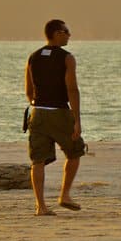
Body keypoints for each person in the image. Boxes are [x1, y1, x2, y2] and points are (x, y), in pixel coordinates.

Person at [24, 19, 86, 216]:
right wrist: (76, 119)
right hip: (59, 112)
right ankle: (64, 194)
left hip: (38, 113)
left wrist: (38, 106)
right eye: (67, 31)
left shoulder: (33, 57)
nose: (69, 35)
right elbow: (72, 90)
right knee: (75, 152)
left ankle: (40, 206)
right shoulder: (67, 58)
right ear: (57, 33)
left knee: (37, 161)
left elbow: (29, 90)